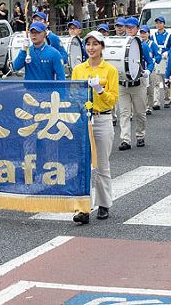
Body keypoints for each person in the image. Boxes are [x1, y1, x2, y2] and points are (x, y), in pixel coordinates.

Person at [70, 31, 119, 224]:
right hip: (83, 120)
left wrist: (100, 91)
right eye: (88, 44)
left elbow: (112, 100)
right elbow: (72, 93)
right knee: (82, 164)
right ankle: (82, 208)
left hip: (102, 119)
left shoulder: (110, 70)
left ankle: (104, 203)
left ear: (102, 47)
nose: (91, 48)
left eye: (95, 44)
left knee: (101, 164)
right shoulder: (78, 69)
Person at [116, 17, 149, 151]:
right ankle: (125, 139)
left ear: (137, 29)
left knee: (140, 113)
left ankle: (140, 135)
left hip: (137, 83)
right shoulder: (120, 43)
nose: (129, 29)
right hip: (122, 84)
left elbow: (150, 61)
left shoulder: (143, 45)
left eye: (131, 27)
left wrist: (148, 70)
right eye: (127, 27)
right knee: (123, 113)